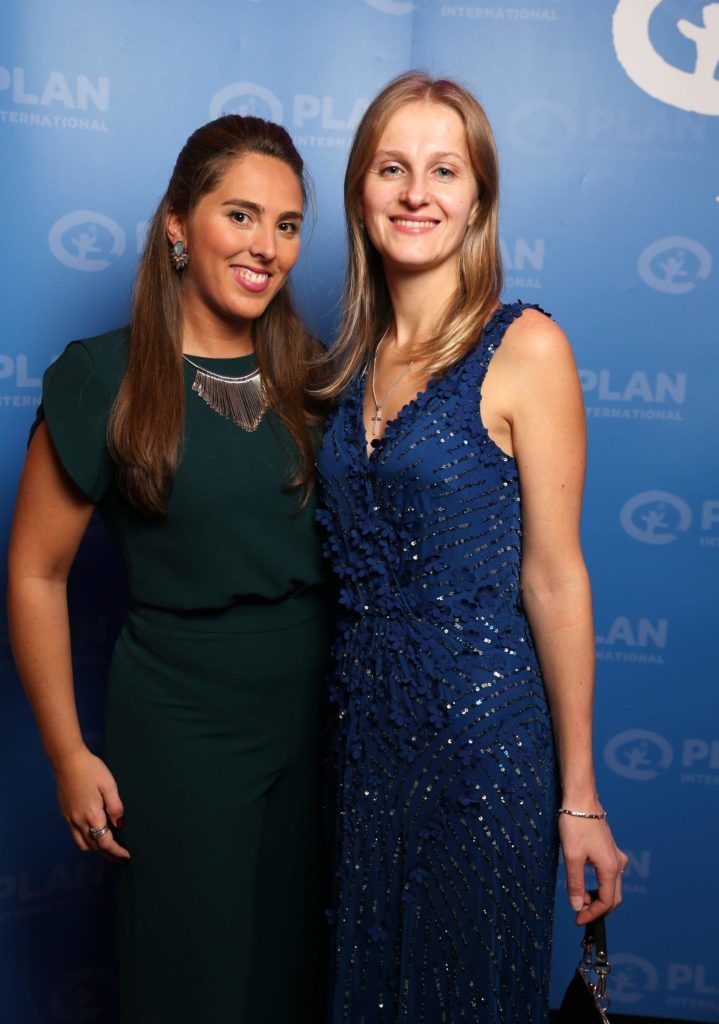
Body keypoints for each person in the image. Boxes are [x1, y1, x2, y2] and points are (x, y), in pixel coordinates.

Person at [315, 72, 628, 1023]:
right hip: (359, 748)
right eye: (392, 168)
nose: (417, 192)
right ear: (360, 194)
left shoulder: (524, 346)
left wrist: (578, 795)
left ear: (477, 198)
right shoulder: (344, 365)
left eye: (443, 170)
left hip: (479, 750)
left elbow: (555, 576)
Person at [8, 114, 331, 1024]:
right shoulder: (100, 377)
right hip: (184, 723)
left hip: (315, 724)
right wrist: (69, 753)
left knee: (289, 977)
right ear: (178, 224)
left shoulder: (314, 377)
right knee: (193, 984)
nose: (266, 246)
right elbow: (35, 573)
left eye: (288, 224)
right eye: (241, 215)